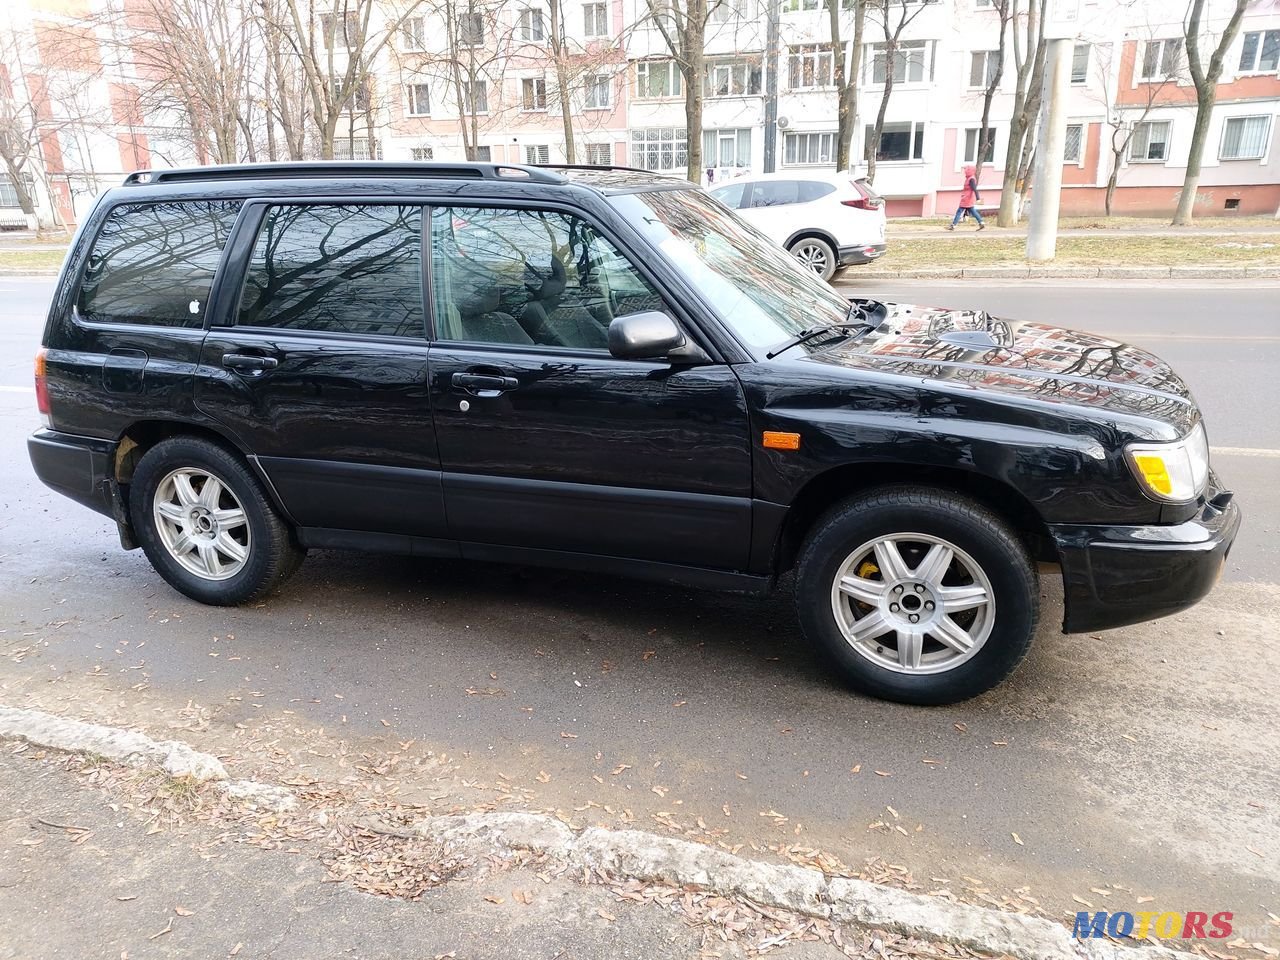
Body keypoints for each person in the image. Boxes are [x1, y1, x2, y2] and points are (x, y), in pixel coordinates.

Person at [947, 164, 985, 230]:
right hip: (967, 198)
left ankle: (953, 225)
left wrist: (978, 198)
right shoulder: (969, 178)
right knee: (973, 211)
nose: (965, 171)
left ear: (970, 171)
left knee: (959, 211)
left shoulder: (971, 179)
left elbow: (974, 189)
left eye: (967, 170)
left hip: (966, 198)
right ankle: (981, 222)